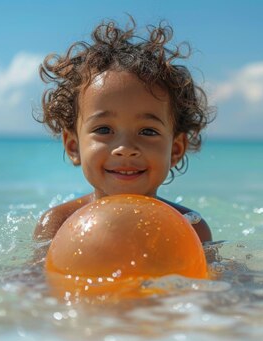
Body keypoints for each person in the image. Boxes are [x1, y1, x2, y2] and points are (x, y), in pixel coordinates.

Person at [33, 17, 214, 247]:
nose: (125, 149)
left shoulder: (191, 229)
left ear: (176, 149)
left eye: (148, 131)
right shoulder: (58, 225)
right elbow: (34, 282)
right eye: (104, 129)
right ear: (73, 146)